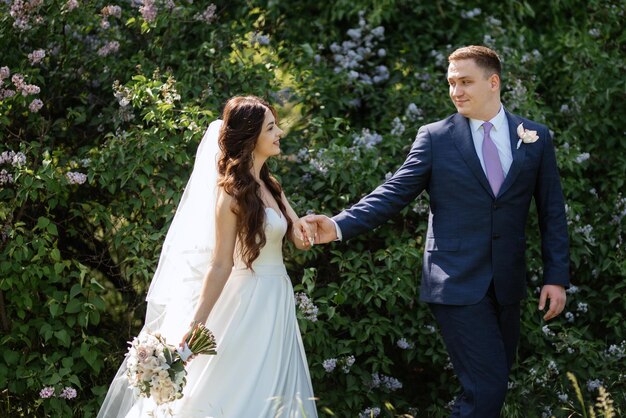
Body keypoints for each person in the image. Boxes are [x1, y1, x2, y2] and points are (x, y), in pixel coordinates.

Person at [305, 45, 570, 417]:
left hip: (507, 284)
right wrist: (336, 225)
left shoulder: (535, 137)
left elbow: (552, 213)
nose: (456, 91)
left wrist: (556, 277)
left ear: (493, 82)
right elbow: (392, 193)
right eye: (451, 83)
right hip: (456, 279)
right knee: (486, 387)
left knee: (489, 388)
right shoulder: (436, 137)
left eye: (465, 82)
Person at [98, 96, 318, 418]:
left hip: (276, 298)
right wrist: (196, 324)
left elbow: (298, 236)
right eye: (271, 127)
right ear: (250, 137)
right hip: (248, 302)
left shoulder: (272, 186)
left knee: (274, 392)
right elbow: (220, 263)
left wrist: (310, 231)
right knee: (234, 391)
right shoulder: (232, 194)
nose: (280, 132)